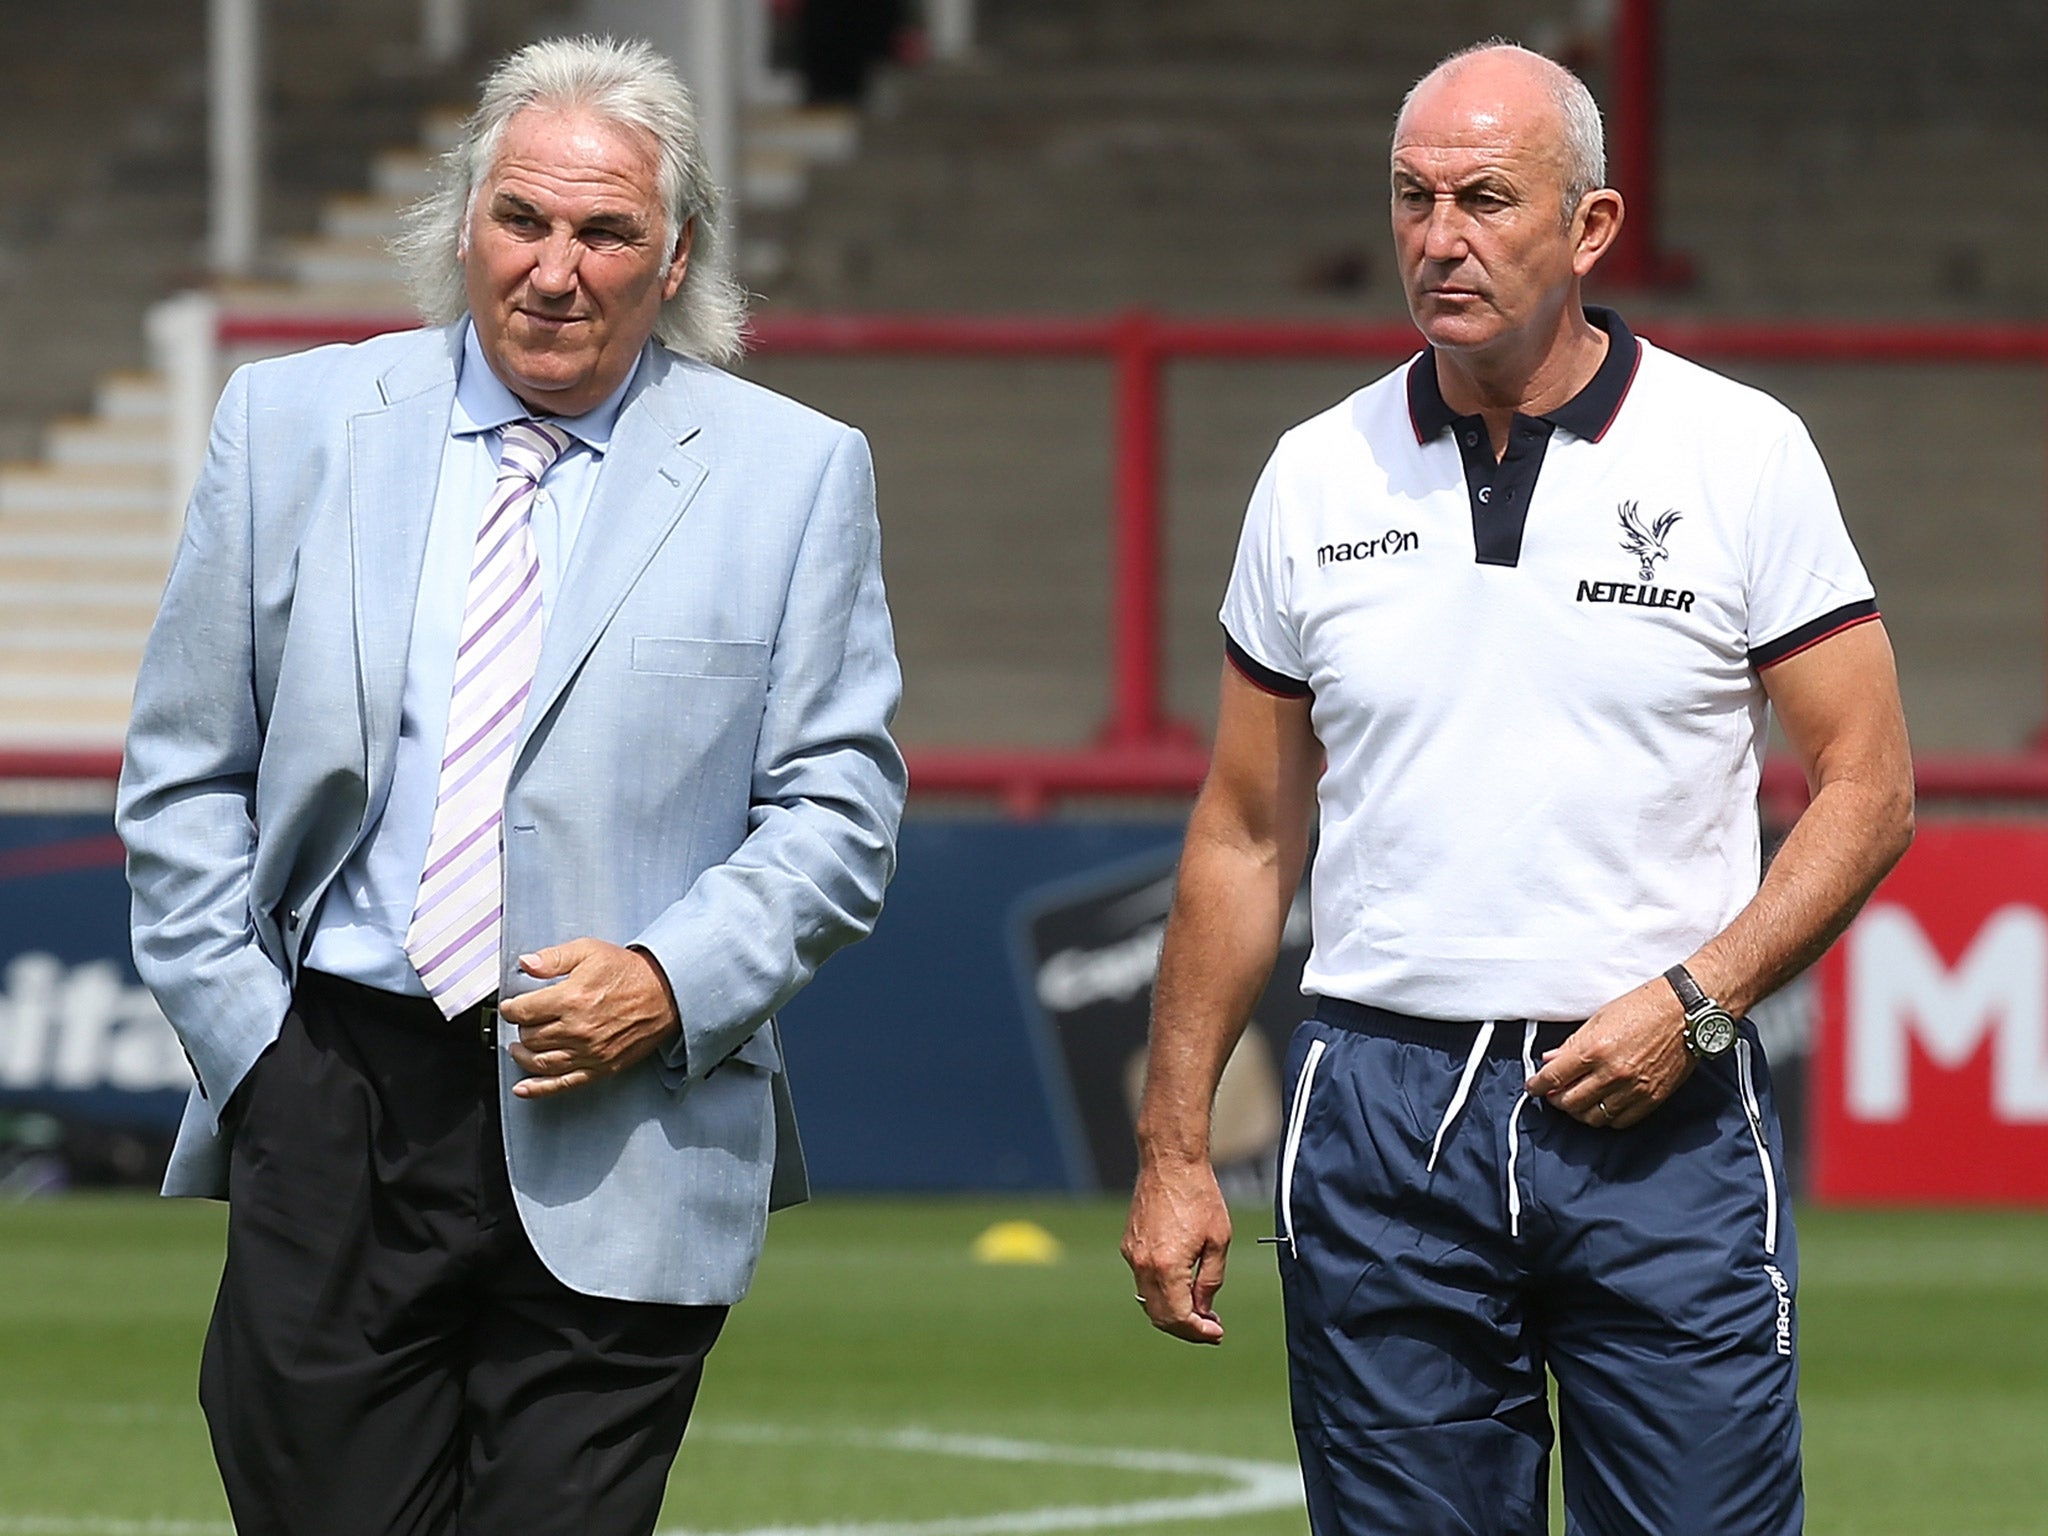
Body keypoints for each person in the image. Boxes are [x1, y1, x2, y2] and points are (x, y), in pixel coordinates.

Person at [117, 35, 904, 1536]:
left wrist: (671, 981)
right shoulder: (287, 426)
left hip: (626, 1114)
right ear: (464, 227)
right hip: (331, 1093)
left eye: (605, 231)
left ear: (674, 259)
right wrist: (260, 1059)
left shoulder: (796, 473)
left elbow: (839, 813)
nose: (557, 268)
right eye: (523, 220)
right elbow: (181, 777)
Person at [1123, 41, 1913, 1536]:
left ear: (1593, 227)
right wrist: (1172, 1151)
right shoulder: (1313, 473)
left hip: (1657, 1108)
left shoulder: (1742, 453)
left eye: (1486, 199)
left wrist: (1700, 999)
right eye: (1414, 199)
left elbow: (1870, 788)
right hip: (1374, 1116)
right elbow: (1241, 832)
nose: (1439, 239)